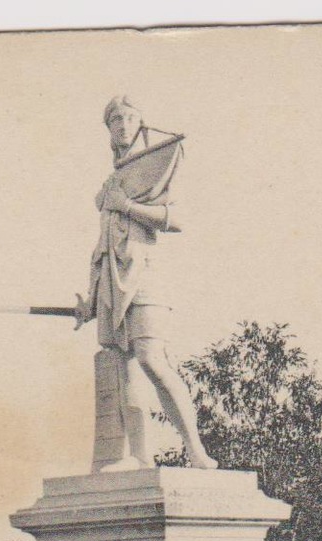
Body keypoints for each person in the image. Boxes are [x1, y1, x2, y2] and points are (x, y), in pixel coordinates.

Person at [73, 96, 217, 472]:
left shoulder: (156, 168)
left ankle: (196, 452)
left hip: (148, 276)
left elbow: (177, 219)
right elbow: (102, 245)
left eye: (129, 117)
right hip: (112, 281)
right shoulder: (110, 183)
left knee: (152, 359)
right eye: (114, 119)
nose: (122, 124)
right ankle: (139, 456)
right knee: (124, 367)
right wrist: (90, 297)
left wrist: (127, 206)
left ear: (141, 122)